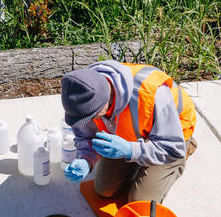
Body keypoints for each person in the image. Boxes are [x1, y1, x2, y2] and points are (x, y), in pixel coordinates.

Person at [60, 60, 198, 207]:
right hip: (127, 135)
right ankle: (139, 158)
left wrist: (131, 150)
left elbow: (172, 148)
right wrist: (86, 158)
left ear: (105, 102)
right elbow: (85, 136)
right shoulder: (81, 93)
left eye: (92, 116)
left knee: (139, 202)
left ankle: (183, 154)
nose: (89, 121)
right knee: (104, 190)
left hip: (170, 137)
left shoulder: (151, 93)